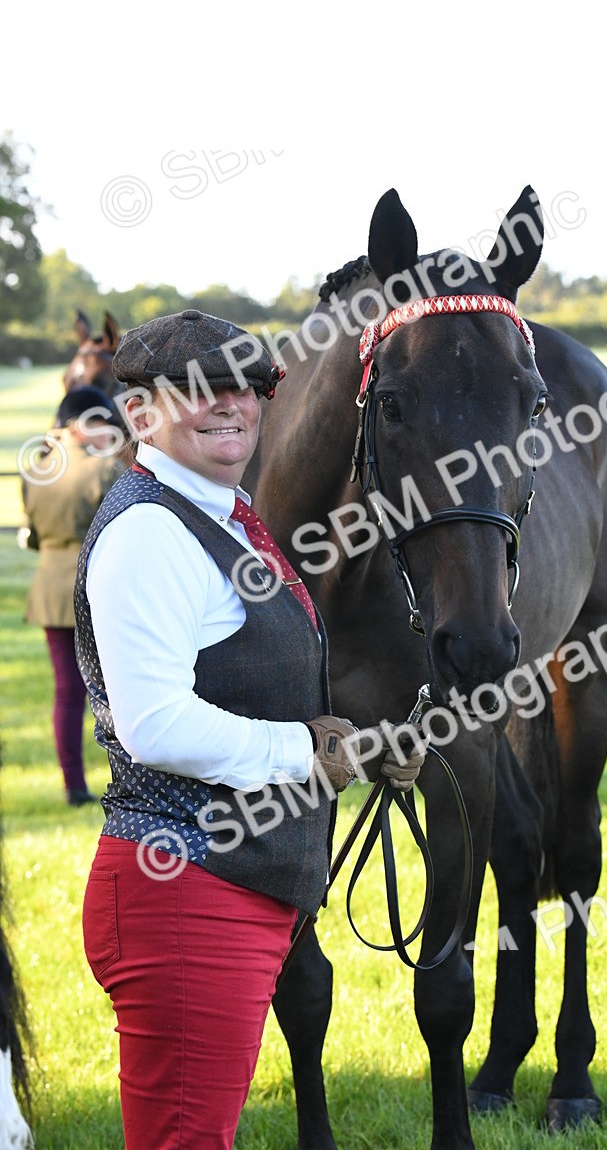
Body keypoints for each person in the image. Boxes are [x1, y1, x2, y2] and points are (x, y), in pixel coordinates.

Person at [75, 310, 426, 1150]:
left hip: (233, 887)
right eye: (199, 389)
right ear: (142, 415)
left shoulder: (223, 512)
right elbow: (155, 723)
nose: (230, 403)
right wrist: (306, 752)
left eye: (249, 386)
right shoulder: (150, 531)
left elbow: (250, 685)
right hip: (185, 889)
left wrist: (362, 746)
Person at [22, 385, 123, 805]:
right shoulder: (104, 471)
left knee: (67, 692)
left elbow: (34, 533)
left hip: (48, 588)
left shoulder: (38, 469)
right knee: (119, 690)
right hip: (96, 588)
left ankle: (73, 785)